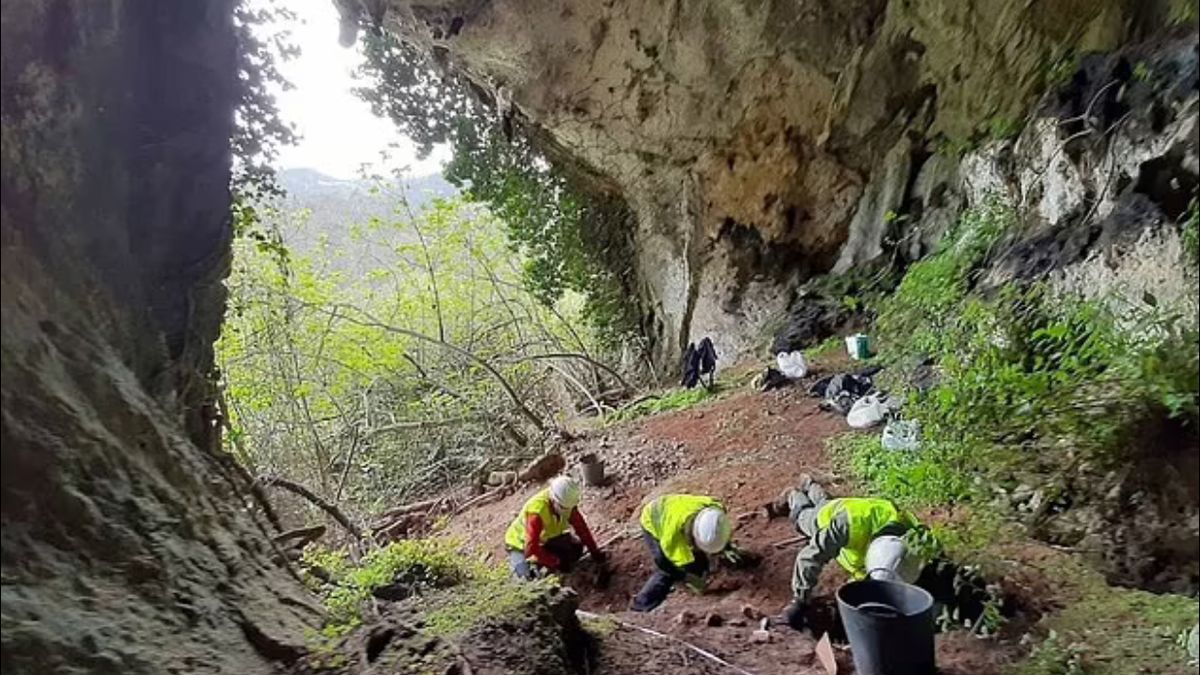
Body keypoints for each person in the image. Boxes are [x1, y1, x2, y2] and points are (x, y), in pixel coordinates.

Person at [780, 475, 924, 629]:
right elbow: (809, 556)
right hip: (836, 517)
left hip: (853, 508)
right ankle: (793, 494)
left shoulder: (914, 544)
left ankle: (809, 483)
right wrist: (800, 599)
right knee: (804, 517)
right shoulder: (847, 527)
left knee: (824, 503)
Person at [631, 494, 732, 611]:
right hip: (652, 519)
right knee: (667, 572)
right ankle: (640, 605)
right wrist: (686, 577)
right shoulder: (673, 539)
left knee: (695, 559)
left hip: (674, 506)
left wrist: (727, 547)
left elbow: (718, 529)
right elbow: (662, 562)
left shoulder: (714, 509)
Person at [505, 475, 604, 579]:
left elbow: (582, 529)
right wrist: (555, 562)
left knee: (576, 550)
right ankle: (524, 565)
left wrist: (595, 552)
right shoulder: (537, 512)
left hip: (543, 540)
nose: (567, 511)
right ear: (554, 499)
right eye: (563, 508)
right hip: (519, 544)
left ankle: (545, 561)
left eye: (569, 508)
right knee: (526, 579)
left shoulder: (568, 504)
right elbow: (530, 547)